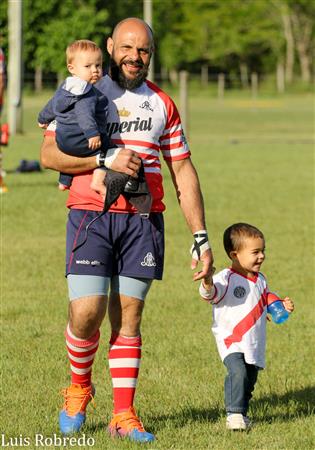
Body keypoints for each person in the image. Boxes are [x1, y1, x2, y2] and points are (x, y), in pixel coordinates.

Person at [40, 17, 214, 443]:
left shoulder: (162, 104)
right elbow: (48, 155)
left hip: (142, 220)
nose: (135, 58)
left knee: (130, 315)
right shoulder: (81, 90)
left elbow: (183, 169)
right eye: (127, 48)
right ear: (110, 46)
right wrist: (104, 162)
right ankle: (79, 387)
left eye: (144, 51)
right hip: (91, 214)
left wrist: (201, 237)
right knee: (86, 311)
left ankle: (124, 413)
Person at [199, 223, 294, 431]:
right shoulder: (226, 278)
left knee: (250, 378)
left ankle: (242, 412)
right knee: (238, 372)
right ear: (235, 255)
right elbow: (211, 294)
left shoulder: (261, 279)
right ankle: (233, 415)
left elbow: (265, 297)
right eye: (255, 252)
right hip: (231, 339)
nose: (261, 256)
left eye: (263, 251)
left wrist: (279, 305)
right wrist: (206, 282)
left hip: (253, 340)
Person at [38, 40, 113, 191]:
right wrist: (92, 134)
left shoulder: (65, 87)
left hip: (63, 141)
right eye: (88, 66)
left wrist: (42, 119)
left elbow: (53, 104)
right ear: (71, 68)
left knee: (72, 155)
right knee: (109, 149)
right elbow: (84, 113)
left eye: (98, 65)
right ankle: (98, 181)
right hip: (81, 138)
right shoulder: (87, 92)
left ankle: (64, 181)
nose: (95, 70)